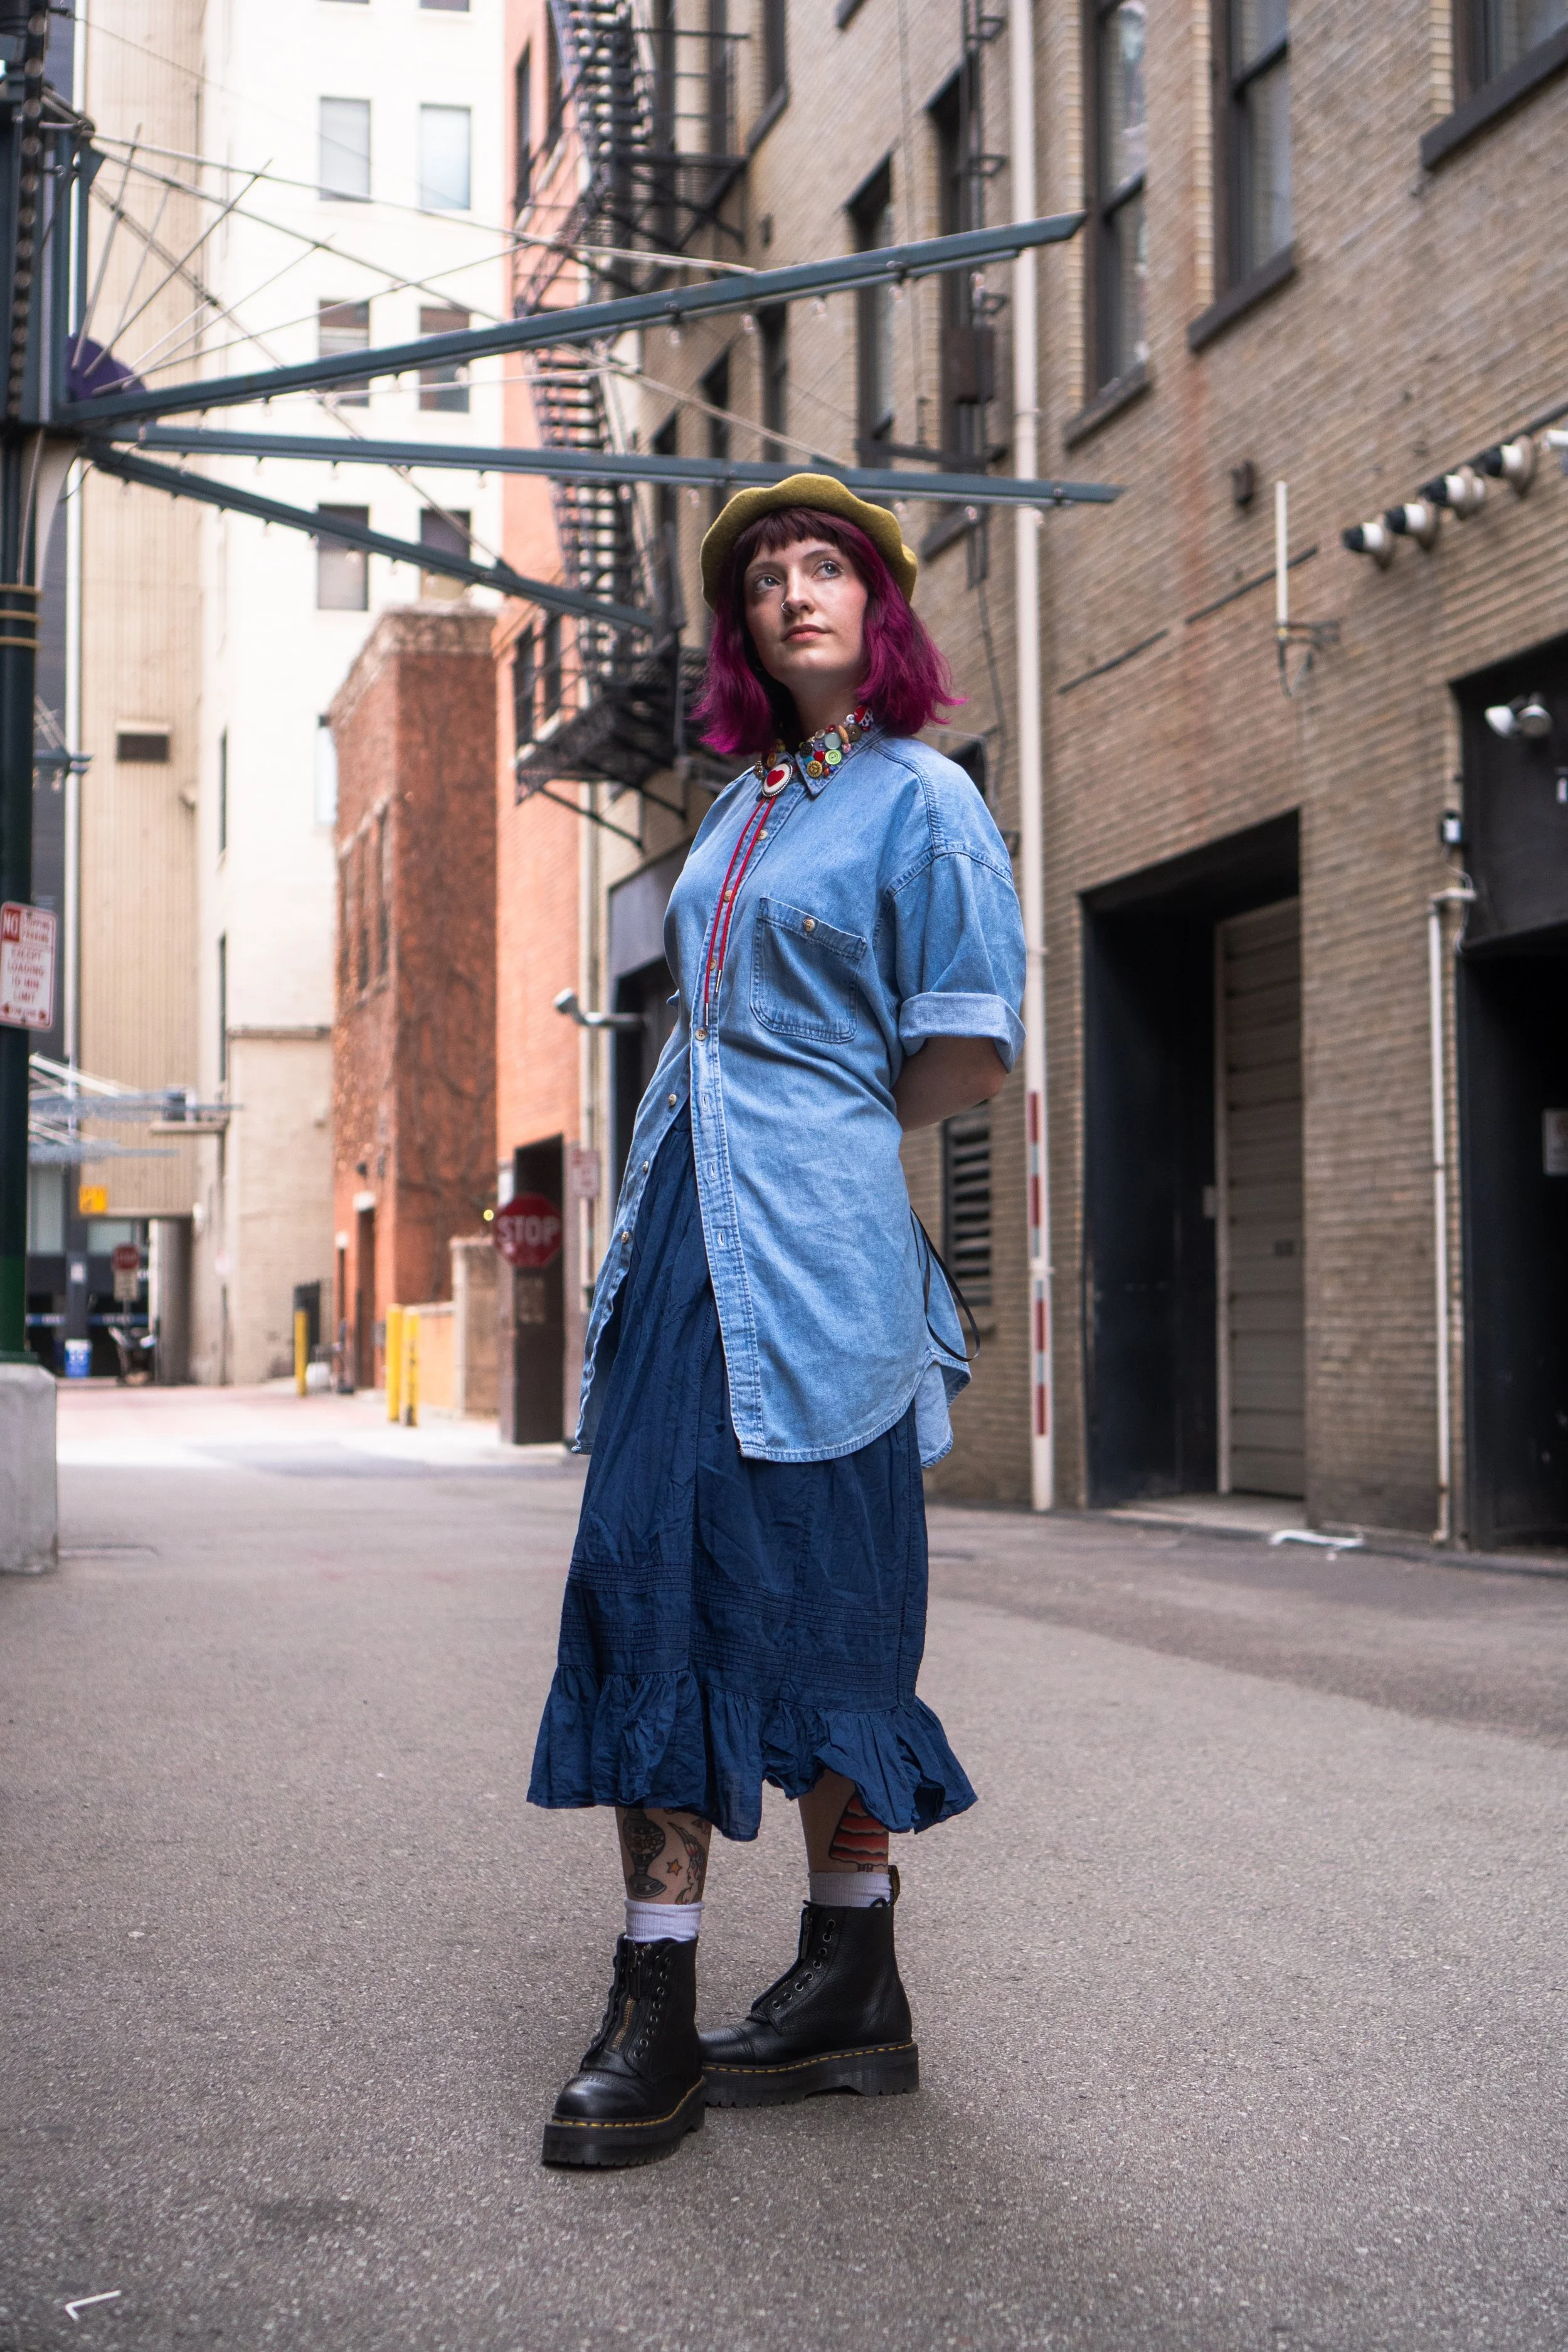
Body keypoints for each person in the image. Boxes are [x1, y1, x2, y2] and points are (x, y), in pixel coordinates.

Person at [529, 474, 1027, 2168]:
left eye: (824, 567)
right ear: (740, 624)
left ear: (874, 603)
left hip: (818, 1247)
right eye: (762, 577)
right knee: (643, 1570)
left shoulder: (924, 801)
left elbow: (962, 1050)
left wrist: (814, 1142)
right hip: (681, 1230)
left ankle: (849, 1978)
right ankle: (653, 1997)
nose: (792, 593)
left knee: (835, 1606)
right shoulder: (736, 802)